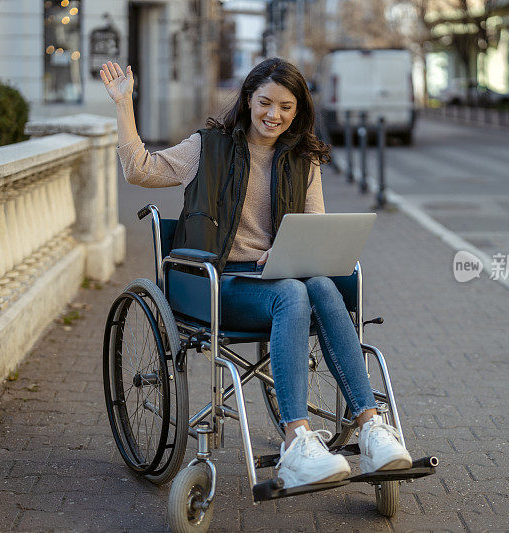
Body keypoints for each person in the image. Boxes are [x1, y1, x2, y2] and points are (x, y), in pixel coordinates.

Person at [101, 58, 412, 489]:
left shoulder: (305, 159)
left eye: (286, 107)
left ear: (298, 111)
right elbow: (140, 169)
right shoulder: (207, 148)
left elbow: (314, 233)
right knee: (294, 294)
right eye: (265, 102)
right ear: (248, 100)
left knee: (319, 284)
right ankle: (296, 441)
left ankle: (372, 427)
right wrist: (123, 104)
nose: (274, 115)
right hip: (218, 283)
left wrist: (287, 252)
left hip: (281, 282)